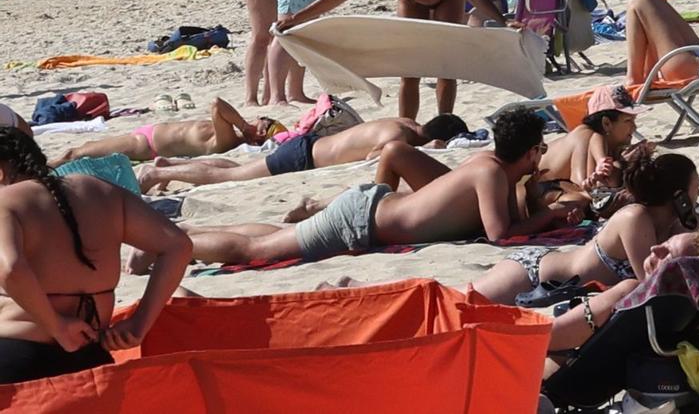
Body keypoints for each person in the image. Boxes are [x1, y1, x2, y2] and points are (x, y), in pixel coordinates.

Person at [181, 105, 572, 267]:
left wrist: (537, 197)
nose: (542, 154)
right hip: (362, 220)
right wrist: (551, 214)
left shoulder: (492, 167)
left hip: (371, 209)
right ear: (529, 151)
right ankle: (172, 244)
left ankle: (186, 233)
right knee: (256, 251)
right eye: (540, 148)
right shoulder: (489, 174)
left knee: (284, 235)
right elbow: (500, 236)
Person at [0, 128, 192, 383]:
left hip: (16, 358)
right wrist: (140, 324)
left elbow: (11, 269)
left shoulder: (5, 202)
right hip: (90, 357)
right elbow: (178, 245)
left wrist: (57, 326)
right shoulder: (102, 192)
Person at [278, 0, 511, 120]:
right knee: (409, 70)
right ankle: (407, 124)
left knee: (444, 64)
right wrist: (296, 18)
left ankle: (445, 121)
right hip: (410, 1)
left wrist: (504, 20)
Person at [469, 149, 699, 306]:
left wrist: (693, 223)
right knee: (455, 303)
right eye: (696, 186)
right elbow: (653, 285)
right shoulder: (634, 217)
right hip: (532, 274)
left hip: (555, 286)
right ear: (678, 194)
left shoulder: (674, 224)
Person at [142, 113, 470, 192]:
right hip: (304, 157)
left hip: (307, 148)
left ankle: (168, 164)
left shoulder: (404, 122)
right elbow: (378, 158)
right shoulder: (399, 138)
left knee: (239, 169)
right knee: (228, 177)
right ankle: (159, 173)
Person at [54, 99, 281, 168]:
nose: (260, 119)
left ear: (258, 137)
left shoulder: (227, 140)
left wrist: (244, 127)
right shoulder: (232, 129)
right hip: (147, 133)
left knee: (74, 154)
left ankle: (35, 170)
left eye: (264, 124)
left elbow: (216, 105)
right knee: (83, 148)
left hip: (145, 145)